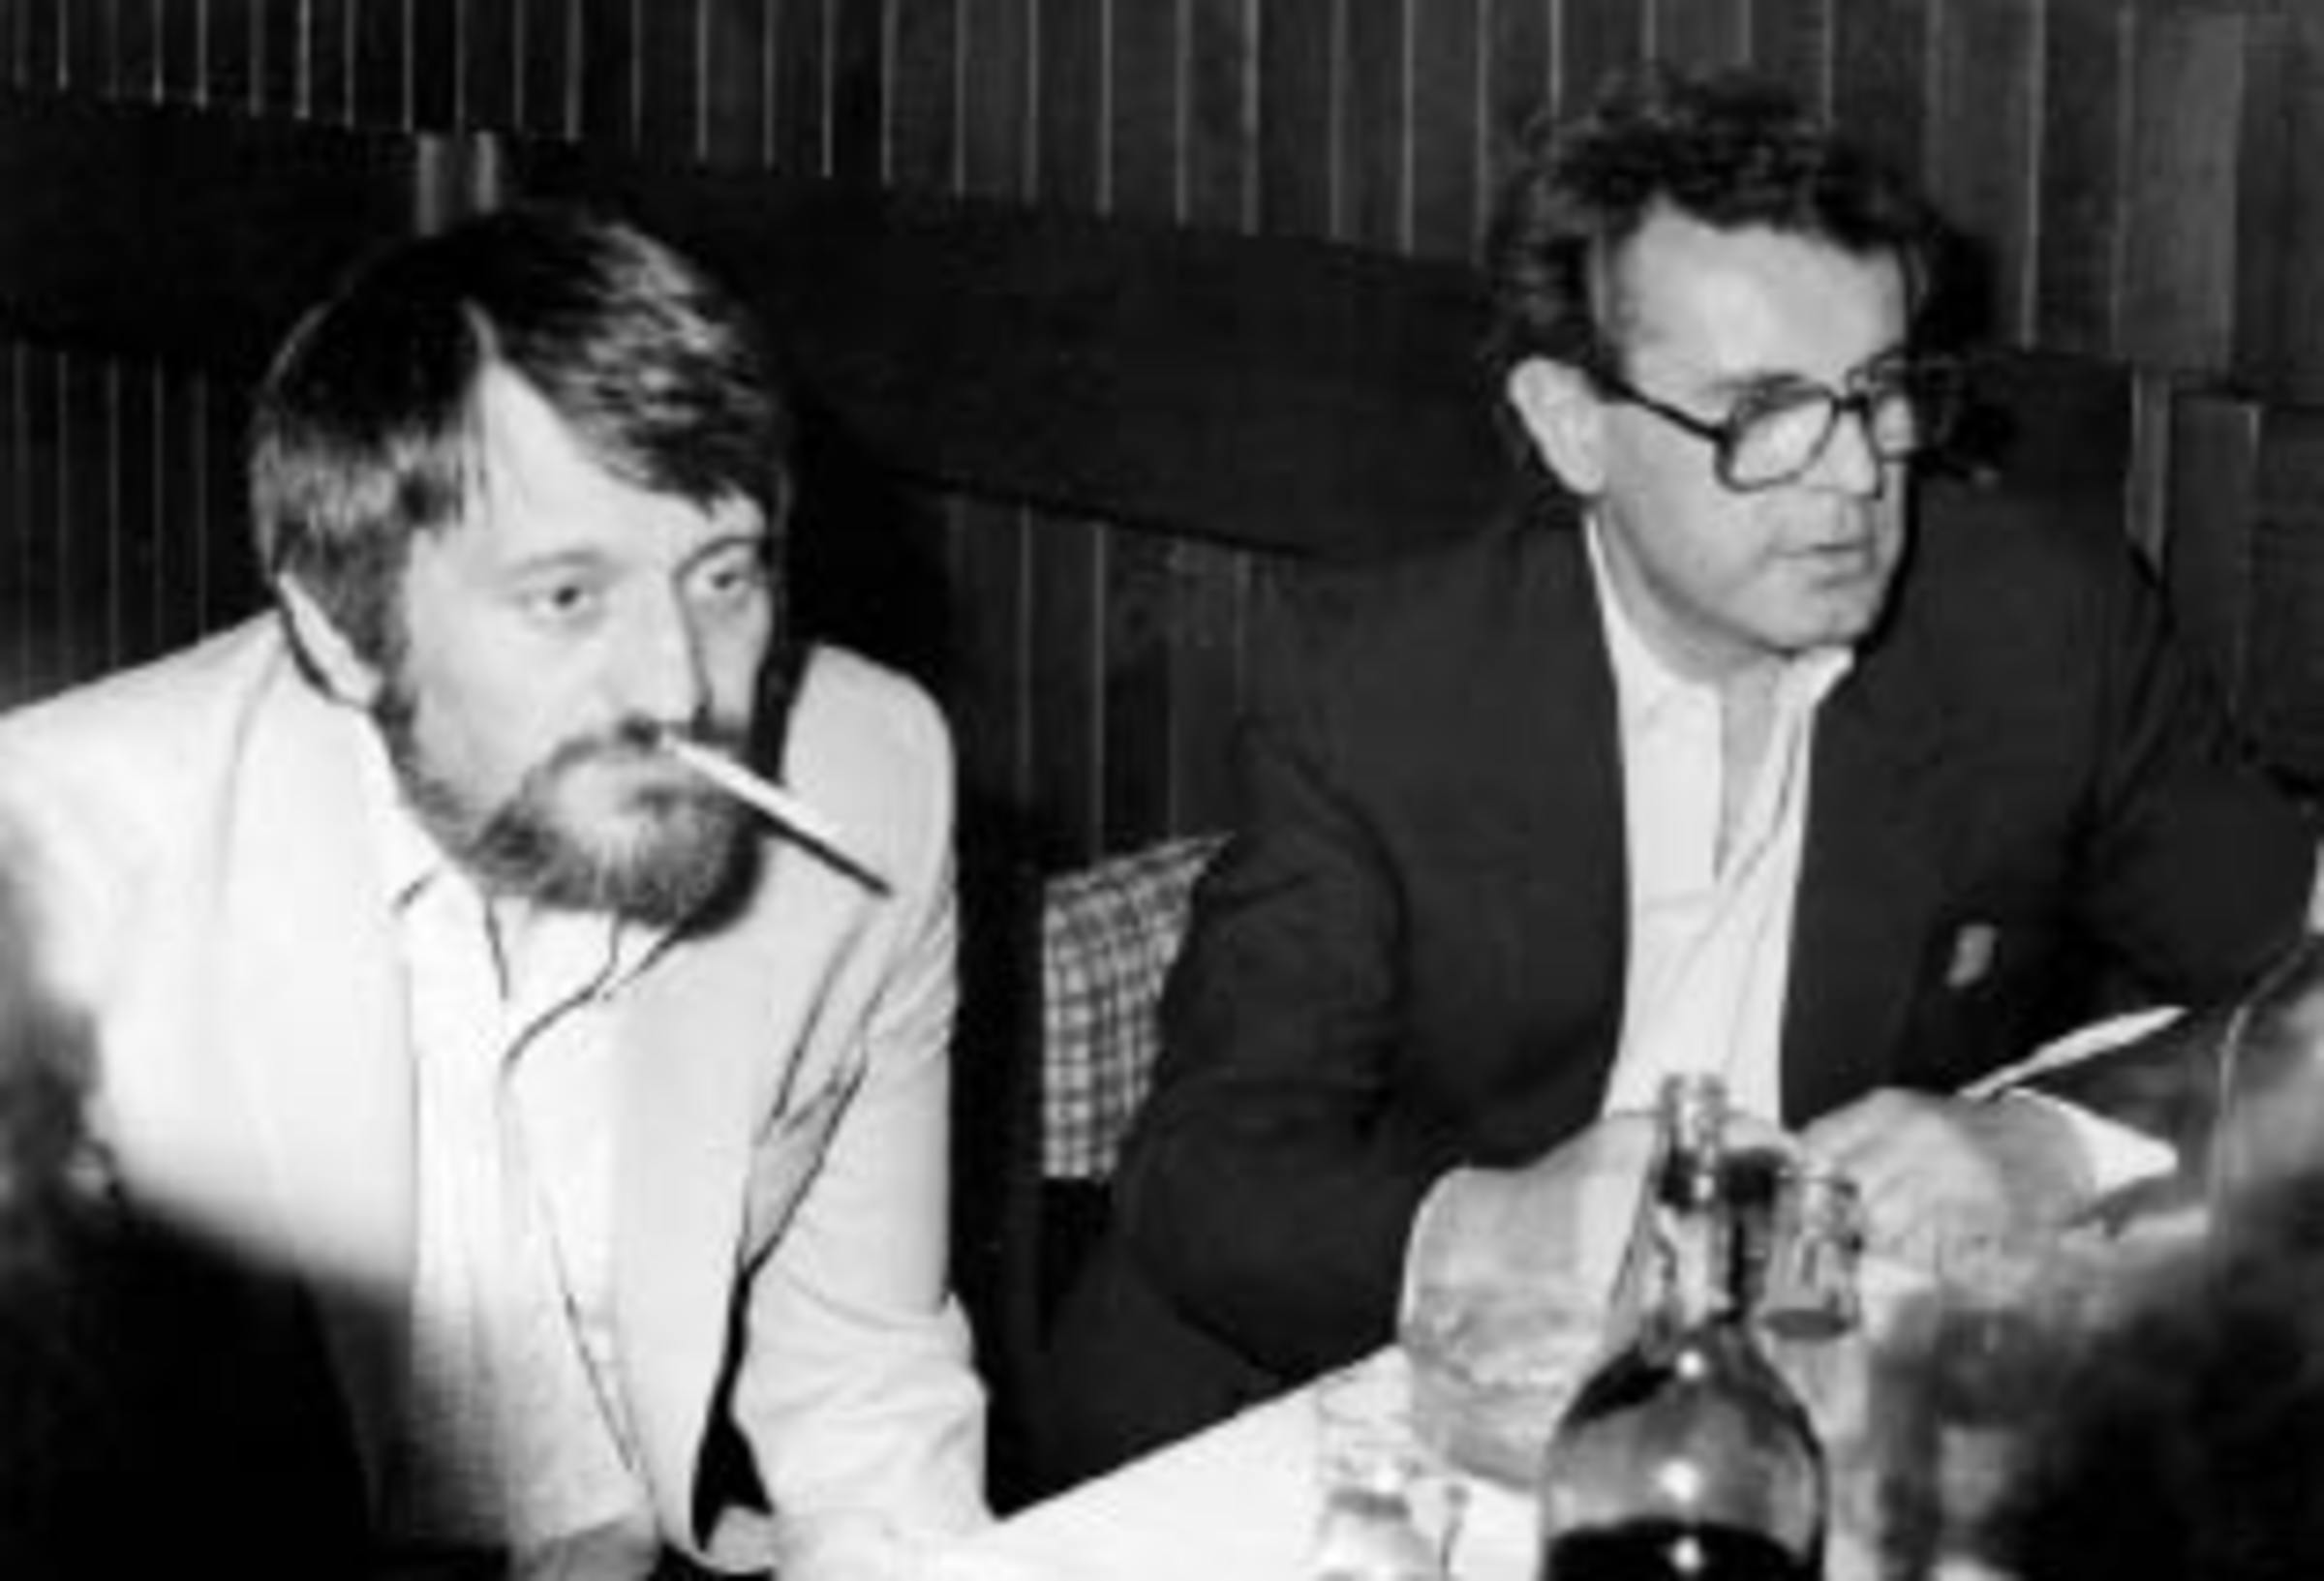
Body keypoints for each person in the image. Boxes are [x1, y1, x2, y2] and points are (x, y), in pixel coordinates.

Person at [1037, 64, 2315, 1483]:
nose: (1854, 478)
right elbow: (1207, 1167)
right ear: (1572, 424)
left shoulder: (2038, 626)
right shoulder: (1381, 682)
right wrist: (1486, 1227)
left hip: (1801, 1409)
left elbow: (2306, 982)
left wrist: (2055, 1146)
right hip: (1368, 1408)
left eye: (1881, 394)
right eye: (1764, 412)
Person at [0, 206, 985, 1577]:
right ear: (340, 631)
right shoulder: (51, 874)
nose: (679, 687)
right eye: (566, 597)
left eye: (722, 576)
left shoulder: (869, 782)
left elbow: (862, 1390)